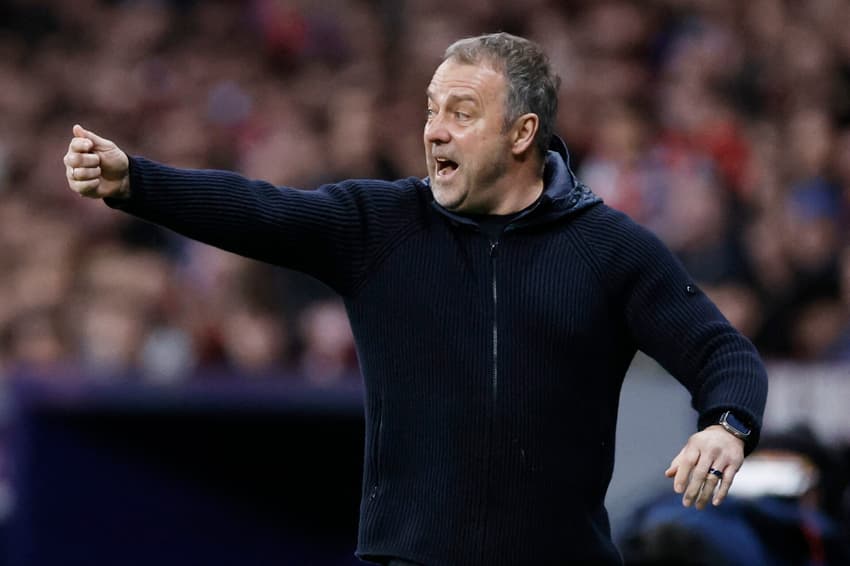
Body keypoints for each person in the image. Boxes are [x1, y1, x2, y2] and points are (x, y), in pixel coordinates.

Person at [63, 33, 768, 566]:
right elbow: (260, 210)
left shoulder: (609, 248)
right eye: (432, 111)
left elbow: (721, 353)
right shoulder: (379, 227)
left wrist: (724, 425)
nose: (434, 130)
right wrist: (135, 182)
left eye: (461, 113)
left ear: (523, 134)